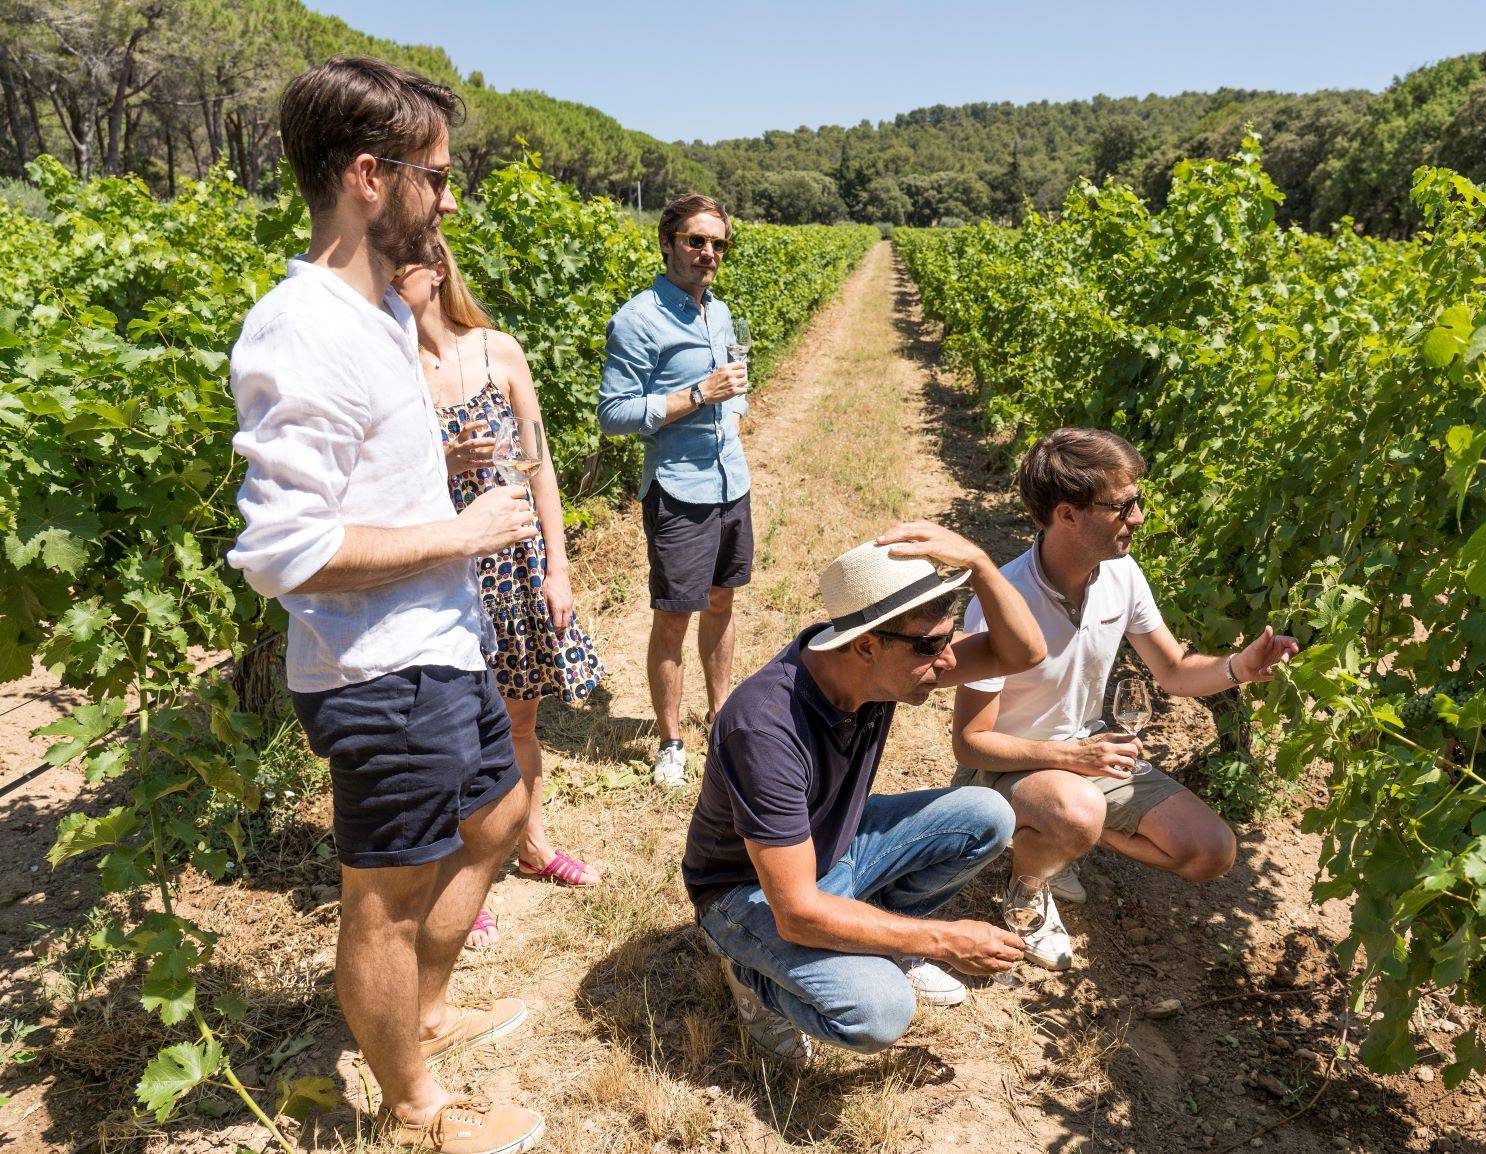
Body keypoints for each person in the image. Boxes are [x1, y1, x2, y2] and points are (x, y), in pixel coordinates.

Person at [227, 57, 543, 1153]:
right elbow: (285, 549)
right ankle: (416, 1110)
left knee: (500, 819)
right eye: (438, 176)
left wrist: (434, 455)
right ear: (371, 175)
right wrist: (463, 530)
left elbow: (354, 472)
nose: (450, 200)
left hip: (439, 644)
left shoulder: (370, 318)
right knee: (386, 900)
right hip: (382, 672)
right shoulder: (300, 325)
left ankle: (418, 1011)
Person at [682, 522, 1048, 1065]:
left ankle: (871, 932)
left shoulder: (880, 667)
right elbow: (797, 911)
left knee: (988, 813)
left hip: (832, 845)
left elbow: (1022, 654)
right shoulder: (765, 728)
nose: (948, 661)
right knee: (878, 1011)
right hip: (747, 892)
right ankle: (748, 971)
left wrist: (980, 562)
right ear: (866, 645)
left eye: (949, 638)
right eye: (931, 646)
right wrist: (940, 939)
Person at [951, 428, 1298, 971]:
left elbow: (1176, 671)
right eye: (1122, 505)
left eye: (1137, 501)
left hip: (1088, 756)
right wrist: (1071, 760)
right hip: (1004, 767)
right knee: (1078, 811)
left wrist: (1238, 668)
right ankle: (1028, 883)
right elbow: (971, 744)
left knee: (1210, 852)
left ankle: (1061, 837)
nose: (1138, 517)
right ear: (1067, 514)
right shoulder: (1003, 603)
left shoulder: (1122, 574)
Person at [394, 235, 607, 951]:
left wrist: (558, 567)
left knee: (519, 725)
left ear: (441, 267)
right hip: (444, 570)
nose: (405, 280)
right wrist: (439, 458)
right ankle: (464, 879)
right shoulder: (391, 370)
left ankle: (533, 843)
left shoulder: (499, 351)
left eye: (415, 264)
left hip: (515, 564)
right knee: (458, 740)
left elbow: (539, 465)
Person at [598, 193, 752, 788]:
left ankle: (721, 722)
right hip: (678, 490)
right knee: (674, 616)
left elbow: (729, 382)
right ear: (667, 243)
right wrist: (697, 396)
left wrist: (736, 406)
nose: (708, 253)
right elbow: (612, 414)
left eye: (717, 243)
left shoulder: (718, 310)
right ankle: (670, 743)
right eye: (696, 240)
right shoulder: (637, 319)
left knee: (722, 602)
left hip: (730, 481)